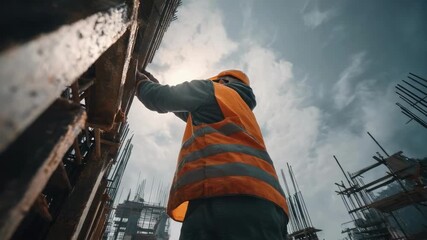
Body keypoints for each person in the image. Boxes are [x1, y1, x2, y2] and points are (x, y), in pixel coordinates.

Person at [135, 69, 289, 240]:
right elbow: (185, 110)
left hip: (221, 194)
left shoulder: (212, 89)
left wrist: (138, 81)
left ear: (222, 81)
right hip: (271, 205)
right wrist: (153, 81)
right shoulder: (241, 109)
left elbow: (160, 97)